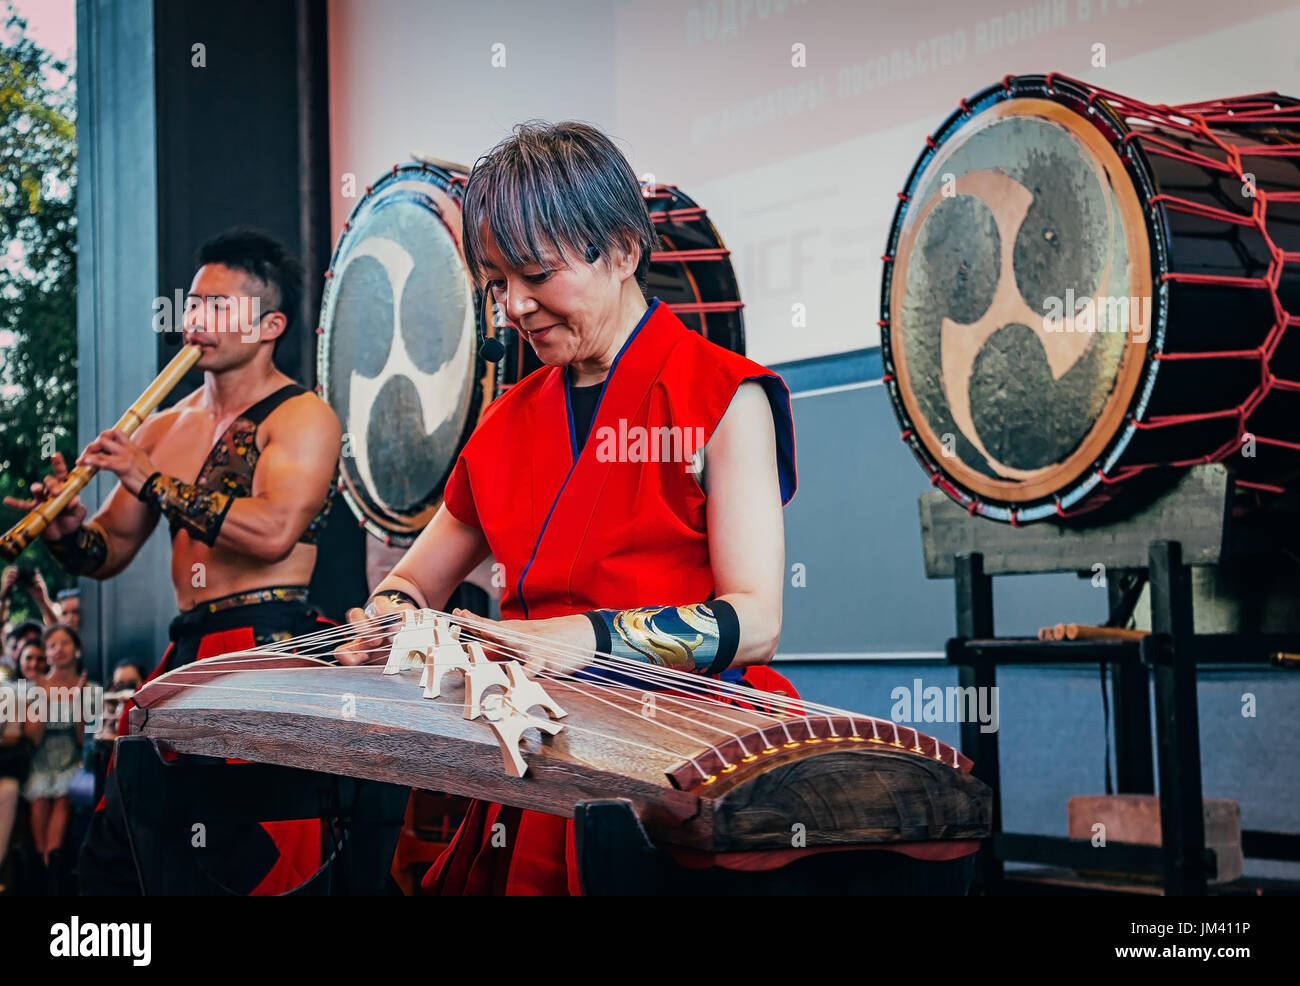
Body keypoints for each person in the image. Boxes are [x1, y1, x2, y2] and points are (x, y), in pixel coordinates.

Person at [340, 121, 798, 895]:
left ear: (622, 249)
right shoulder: (506, 421)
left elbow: (758, 620)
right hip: (526, 735)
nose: (514, 305)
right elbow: (416, 582)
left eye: (537, 275)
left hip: (671, 745)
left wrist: (580, 639)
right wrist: (391, 616)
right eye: (496, 284)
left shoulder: (723, 395)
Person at [4, 228, 343, 895]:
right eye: (193, 305)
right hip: (189, 650)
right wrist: (67, 531)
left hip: (268, 647)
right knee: (133, 844)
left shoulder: (304, 416)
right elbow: (106, 553)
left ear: (270, 324)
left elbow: (273, 531)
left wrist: (148, 479)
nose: (196, 322)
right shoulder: (163, 426)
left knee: (249, 848)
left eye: (220, 307)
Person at [21, 624, 85, 892]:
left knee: (62, 799)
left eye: (64, 643)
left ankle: (53, 868)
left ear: (77, 650)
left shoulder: (87, 686)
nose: (58, 650)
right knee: (39, 800)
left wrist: (79, 701)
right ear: (47, 653)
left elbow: (84, 740)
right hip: (42, 761)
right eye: (52, 645)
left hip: (71, 759)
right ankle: (46, 868)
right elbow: (32, 738)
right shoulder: (37, 687)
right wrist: (43, 699)